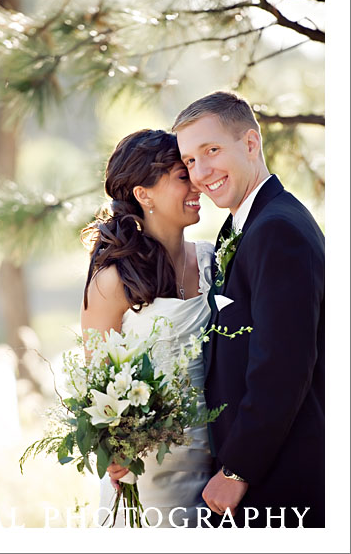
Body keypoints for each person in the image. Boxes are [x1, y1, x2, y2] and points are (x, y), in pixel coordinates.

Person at [173, 91, 325, 528]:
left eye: (212, 151)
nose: (201, 173)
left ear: (251, 144)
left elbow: (284, 366)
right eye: (189, 162)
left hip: (278, 476)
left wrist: (237, 469)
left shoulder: (278, 230)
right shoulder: (243, 225)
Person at [80, 129, 214, 527]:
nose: (198, 185)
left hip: (218, 457)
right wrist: (116, 449)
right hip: (149, 470)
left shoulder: (213, 261)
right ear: (144, 194)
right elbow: (97, 383)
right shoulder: (112, 282)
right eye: (182, 174)